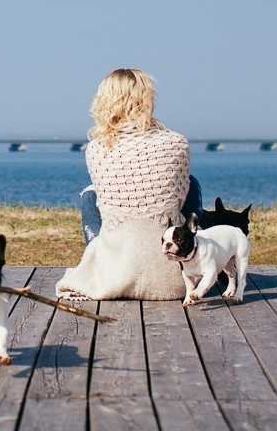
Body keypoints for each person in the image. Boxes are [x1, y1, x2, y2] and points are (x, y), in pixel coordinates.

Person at [56, 68, 201, 301]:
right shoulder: (177, 143)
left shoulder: (97, 149)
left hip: (114, 278)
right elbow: (181, 198)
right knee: (191, 184)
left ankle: (105, 265)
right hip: (176, 281)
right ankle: (196, 256)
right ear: (146, 98)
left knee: (90, 195)